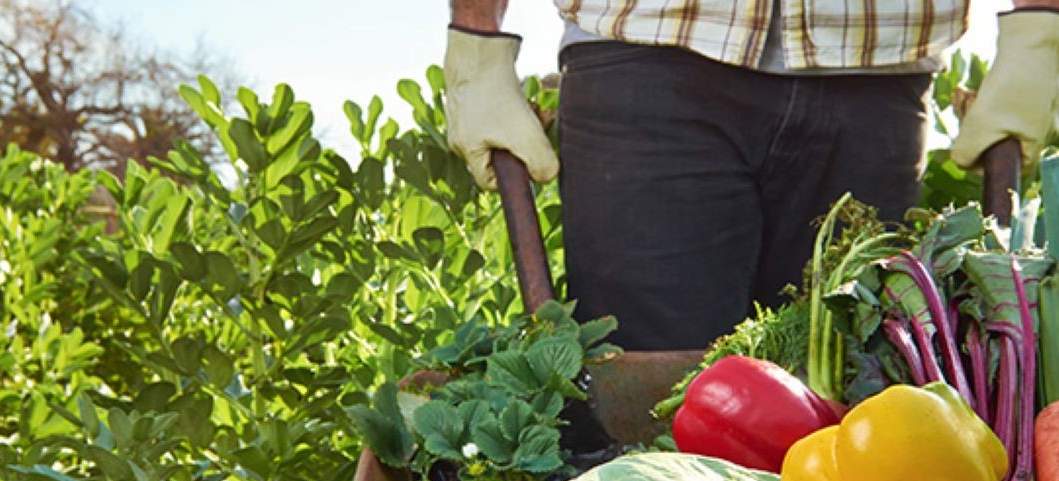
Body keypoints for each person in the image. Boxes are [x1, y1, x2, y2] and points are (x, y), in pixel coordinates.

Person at [443, 0, 1059, 351]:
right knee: (646, 432)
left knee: (856, 402)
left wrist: (1040, 24)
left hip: (877, 63)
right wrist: (476, 39)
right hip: (646, 51)